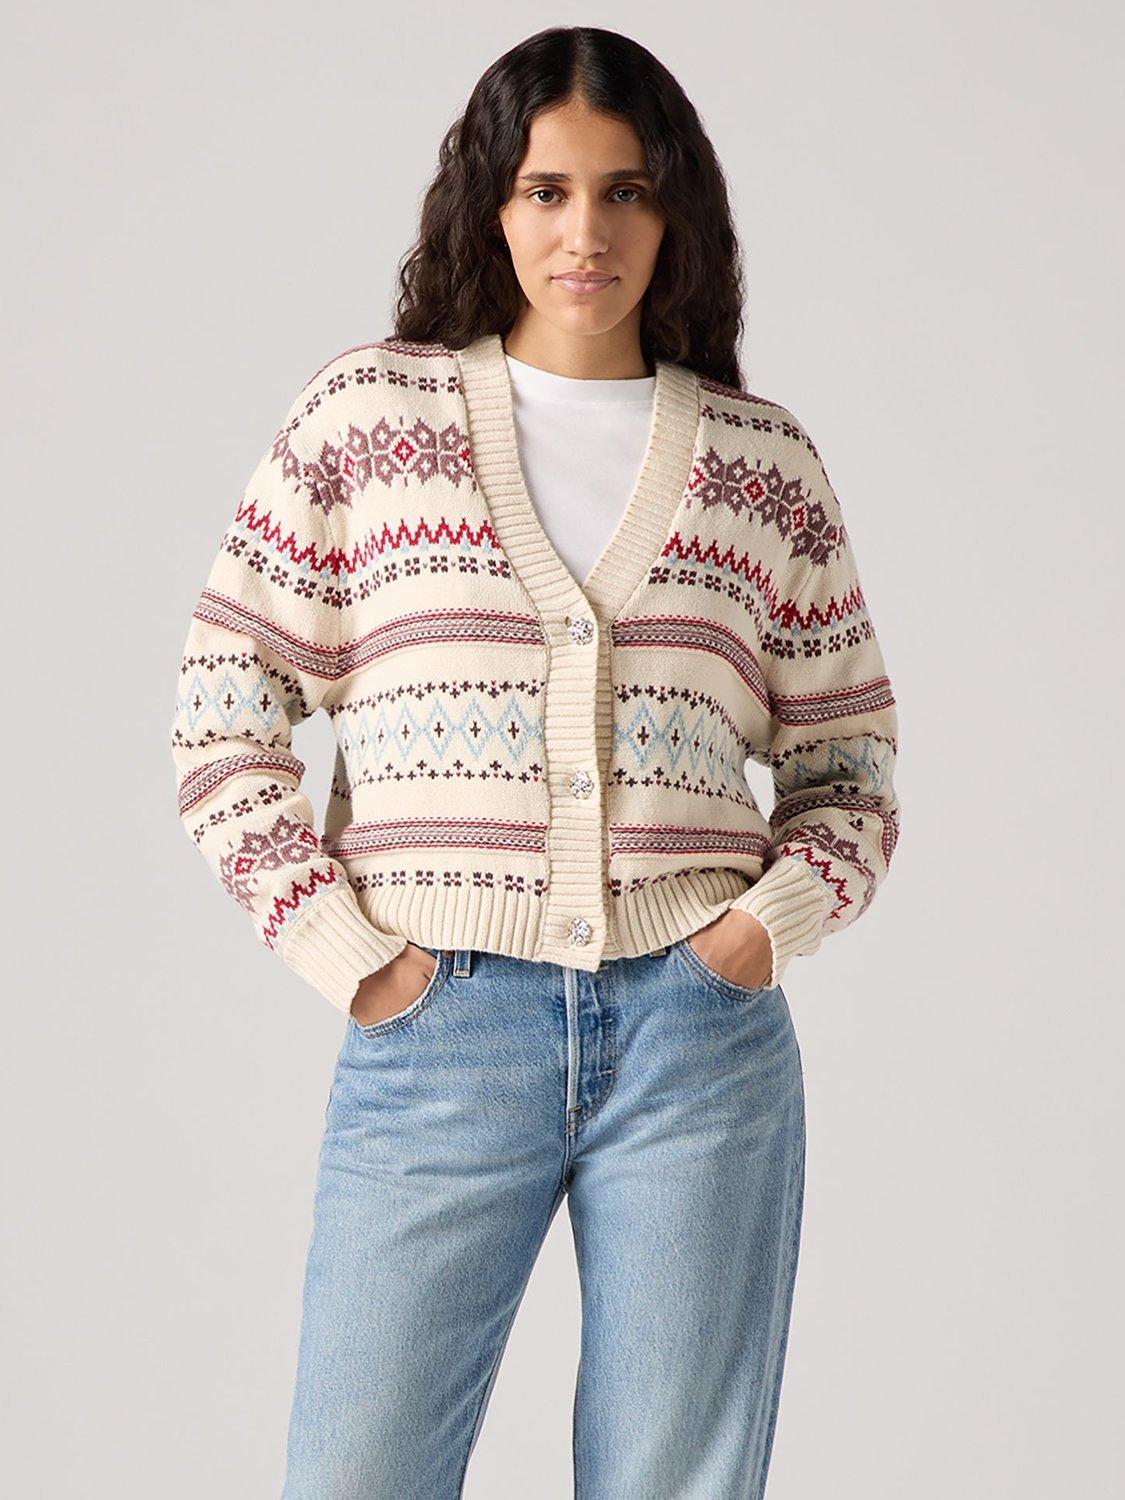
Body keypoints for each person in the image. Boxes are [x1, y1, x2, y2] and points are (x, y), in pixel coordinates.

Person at [169, 25, 902, 1500]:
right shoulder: (366, 425)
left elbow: (851, 765)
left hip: (698, 1041)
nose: (587, 233)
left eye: (626, 192)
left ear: (675, 211)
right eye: (547, 191)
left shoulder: (759, 466)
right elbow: (219, 720)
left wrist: (756, 937)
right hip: (440, 1024)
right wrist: (350, 956)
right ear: (490, 207)